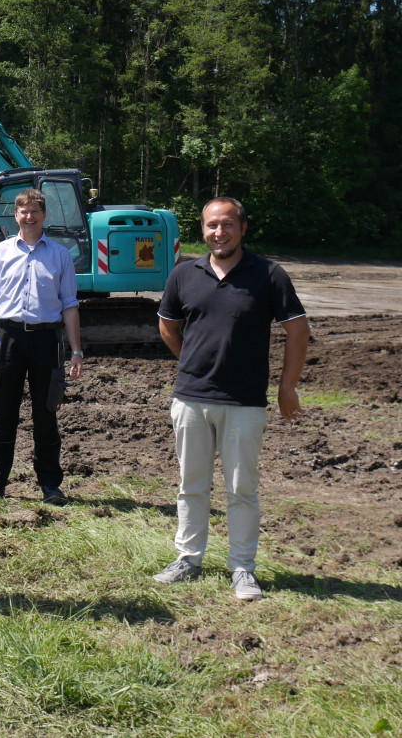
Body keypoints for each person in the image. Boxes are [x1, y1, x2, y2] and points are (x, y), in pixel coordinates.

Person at [155, 197, 309, 601]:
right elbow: (168, 326)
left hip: (244, 402)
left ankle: (243, 568)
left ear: (242, 228)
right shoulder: (184, 274)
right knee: (192, 485)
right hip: (191, 398)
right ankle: (188, 558)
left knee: (242, 489)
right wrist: (192, 362)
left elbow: (298, 330)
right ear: (202, 230)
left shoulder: (269, 274)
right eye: (211, 226)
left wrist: (286, 386)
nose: (218, 233)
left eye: (226, 225)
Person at [0, 188, 83, 506]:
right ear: (16, 215)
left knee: (47, 413)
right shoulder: (1, 252)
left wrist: (75, 351)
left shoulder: (61, 255)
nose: (29, 216)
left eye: (35, 210)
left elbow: (70, 305)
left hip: (47, 341)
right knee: (2, 412)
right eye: (24, 211)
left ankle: (50, 485)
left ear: (44, 215)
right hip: (6, 339)